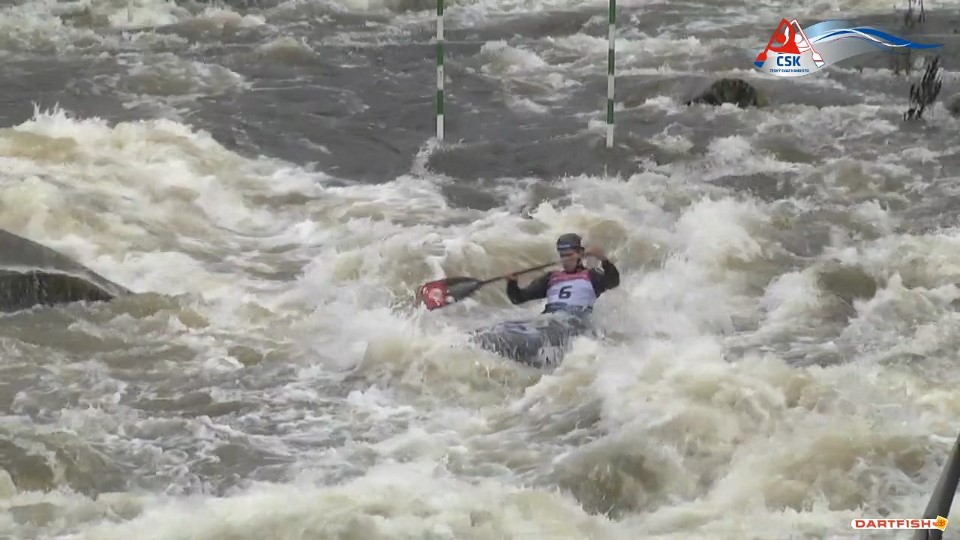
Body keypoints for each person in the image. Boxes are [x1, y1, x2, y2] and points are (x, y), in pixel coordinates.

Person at [505, 233, 620, 314]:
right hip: (549, 318)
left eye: (569, 255)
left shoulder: (592, 276)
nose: (565, 260)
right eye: (562, 256)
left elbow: (613, 282)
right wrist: (512, 283)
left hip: (574, 321)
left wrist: (603, 259)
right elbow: (518, 298)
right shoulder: (551, 278)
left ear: (580, 254)